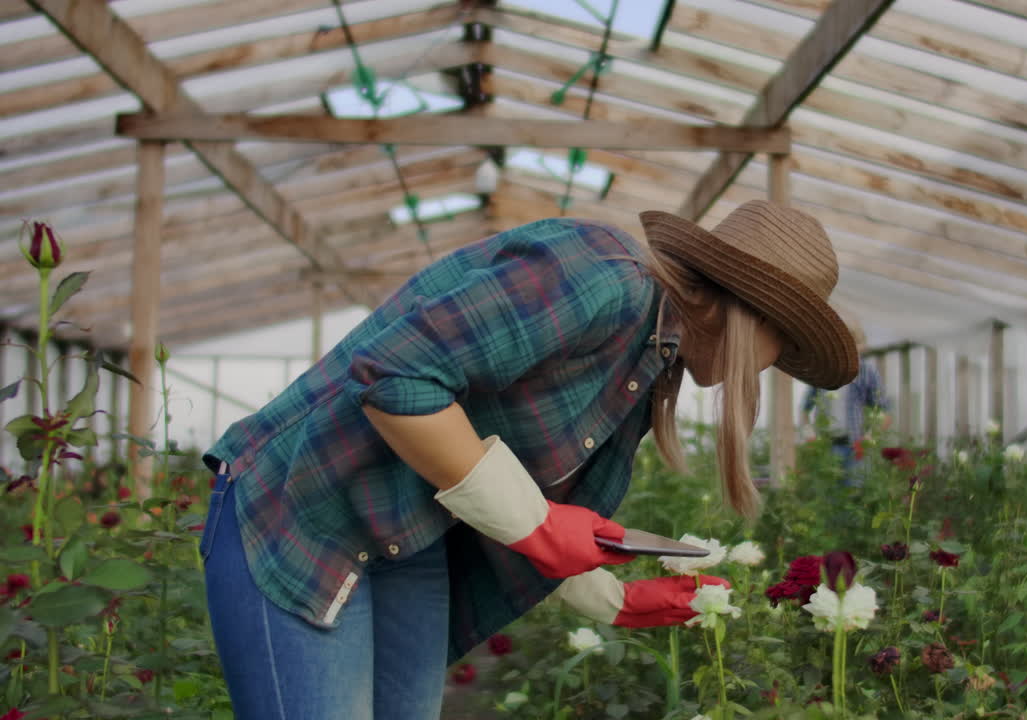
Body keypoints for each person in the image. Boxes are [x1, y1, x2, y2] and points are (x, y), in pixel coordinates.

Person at [198, 199, 858, 719]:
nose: (775, 366)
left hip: (406, 535)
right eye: (785, 343)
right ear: (756, 316)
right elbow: (396, 378)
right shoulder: (603, 281)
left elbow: (510, 493)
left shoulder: (649, 356)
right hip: (304, 508)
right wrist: (540, 526)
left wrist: (615, 599)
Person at [802, 329, 885, 486]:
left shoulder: (866, 371)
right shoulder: (822, 370)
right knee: (828, 496)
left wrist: (869, 439)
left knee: (854, 495)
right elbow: (805, 408)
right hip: (826, 446)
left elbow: (882, 410)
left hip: (855, 446)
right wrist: (810, 434)